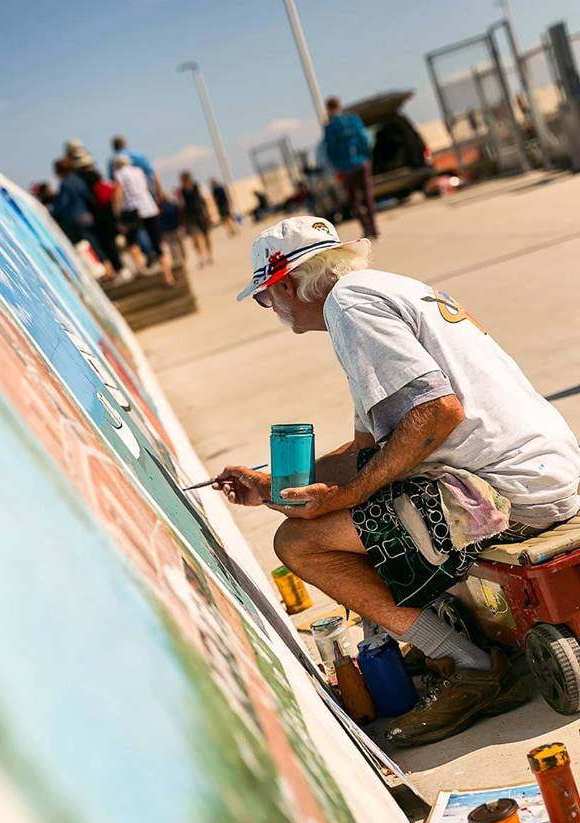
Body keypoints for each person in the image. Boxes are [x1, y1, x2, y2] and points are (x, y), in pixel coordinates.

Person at [216, 215, 580, 746]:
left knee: (301, 542)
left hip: (510, 492)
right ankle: (445, 633)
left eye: (265, 298)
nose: (270, 309)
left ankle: (471, 665)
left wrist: (343, 498)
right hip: (541, 469)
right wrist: (271, 483)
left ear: (287, 285)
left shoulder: (351, 306)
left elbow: (436, 414)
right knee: (357, 506)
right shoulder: (380, 291)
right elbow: (369, 452)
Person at [113, 155, 174, 285]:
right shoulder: (139, 171)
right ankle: (168, 276)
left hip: (131, 210)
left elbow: (118, 194)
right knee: (157, 244)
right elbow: (147, 188)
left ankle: (142, 270)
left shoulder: (119, 174)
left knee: (132, 242)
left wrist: (116, 213)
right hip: (149, 207)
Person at [323, 96, 378, 239]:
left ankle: (366, 229)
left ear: (328, 109)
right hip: (361, 163)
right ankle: (375, 229)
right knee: (368, 197)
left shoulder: (330, 127)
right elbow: (364, 139)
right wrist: (366, 157)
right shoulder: (353, 119)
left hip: (346, 168)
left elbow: (330, 150)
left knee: (355, 201)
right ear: (340, 106)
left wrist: (338, 166)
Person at [52, 157, 116, 280]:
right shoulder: (77, 180)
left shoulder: (65, 184)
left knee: (83, 247)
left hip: (74, 219)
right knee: (95, 244)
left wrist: (55, 211)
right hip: (86, 216)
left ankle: (101, 272)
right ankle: (109, 268)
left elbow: (62, 204)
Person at [66, 144, 124, 276]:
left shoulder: (78, 178)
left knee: (103, 243)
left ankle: (114, 269)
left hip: (95, 214)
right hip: (105, 210)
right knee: (111, 241)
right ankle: (118, 268)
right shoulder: (95, 174)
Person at [179, 171, 213, 267]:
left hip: (200, 214)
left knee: (206, 236)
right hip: (190, 217)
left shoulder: (198, 186)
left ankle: (209, 255)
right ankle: (200, 257)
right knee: (195, 238)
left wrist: (208, 213)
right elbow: (182, 206)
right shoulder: (182, 191)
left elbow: (205, 200)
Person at [158, 192, 186, 266]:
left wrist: (181, 224)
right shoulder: (160, 208)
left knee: (177, 244)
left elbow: (180, 215)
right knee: (174, 245)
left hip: (174, 228)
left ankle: (181, 259)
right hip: (169, 229)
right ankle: (179, 259)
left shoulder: (171, 206)